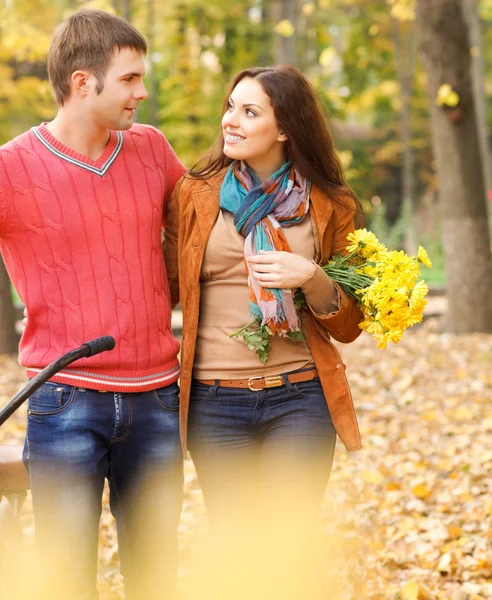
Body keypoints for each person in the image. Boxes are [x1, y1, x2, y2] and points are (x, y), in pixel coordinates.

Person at [0, 9, 184, 600]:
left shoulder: (152, 150)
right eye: (129, 78)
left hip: (156, 398)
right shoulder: (10, 168)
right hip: (64, 399)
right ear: (84, 82)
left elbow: (204, 233)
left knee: (157, 579)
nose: (142, 91)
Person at [164, 66, 364, 599]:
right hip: (213, 402)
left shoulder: (329, 204)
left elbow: (350, 323)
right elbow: (159, 286)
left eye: (249, 111)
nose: (230, 120)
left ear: (285, 128)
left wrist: (312, 277)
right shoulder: (196, 193)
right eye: (230, 107)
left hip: (300, 397)